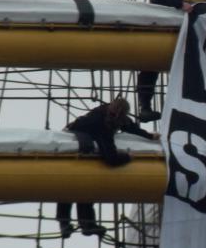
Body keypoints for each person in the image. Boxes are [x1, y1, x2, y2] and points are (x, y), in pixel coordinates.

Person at [56, 98, 155, 238]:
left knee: (81, 187)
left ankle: (80, 224)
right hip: (78, 141)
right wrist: (128, 157)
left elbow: (130, 127)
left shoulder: (113, 116)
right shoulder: (101, 124)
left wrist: (150, 136)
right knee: (71, 186)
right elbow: (111, 159)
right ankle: (75, 224)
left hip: (83, 147)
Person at [138, 0, 190, 123]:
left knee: (150, 69)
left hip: (162, 23)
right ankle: (183, 108)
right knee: (153, 67)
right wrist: (180, 4)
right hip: (165, 24)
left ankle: (145, 106)